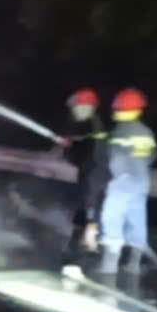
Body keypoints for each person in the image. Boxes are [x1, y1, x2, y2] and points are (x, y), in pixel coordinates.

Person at [98, 88, 157, 275]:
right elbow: (151, 157)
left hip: (123, 181)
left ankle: (109, 268)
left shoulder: (119, 132)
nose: (115, 111)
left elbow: (110, 158)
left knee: (112, 217)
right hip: (142, 181)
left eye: (117, 108)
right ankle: (134, 264)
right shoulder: (146, 132)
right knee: (137, 218)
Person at [59, 88, 109, 255]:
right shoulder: (92, 126)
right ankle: (77, 249)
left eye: (76, 107)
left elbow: (84, 157)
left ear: (87, 107)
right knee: (83, 215)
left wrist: (69, 149)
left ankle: (84, 251)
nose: (74, 111)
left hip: (93, 183)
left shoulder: (95, 128)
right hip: (90, 181)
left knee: (88, 216)